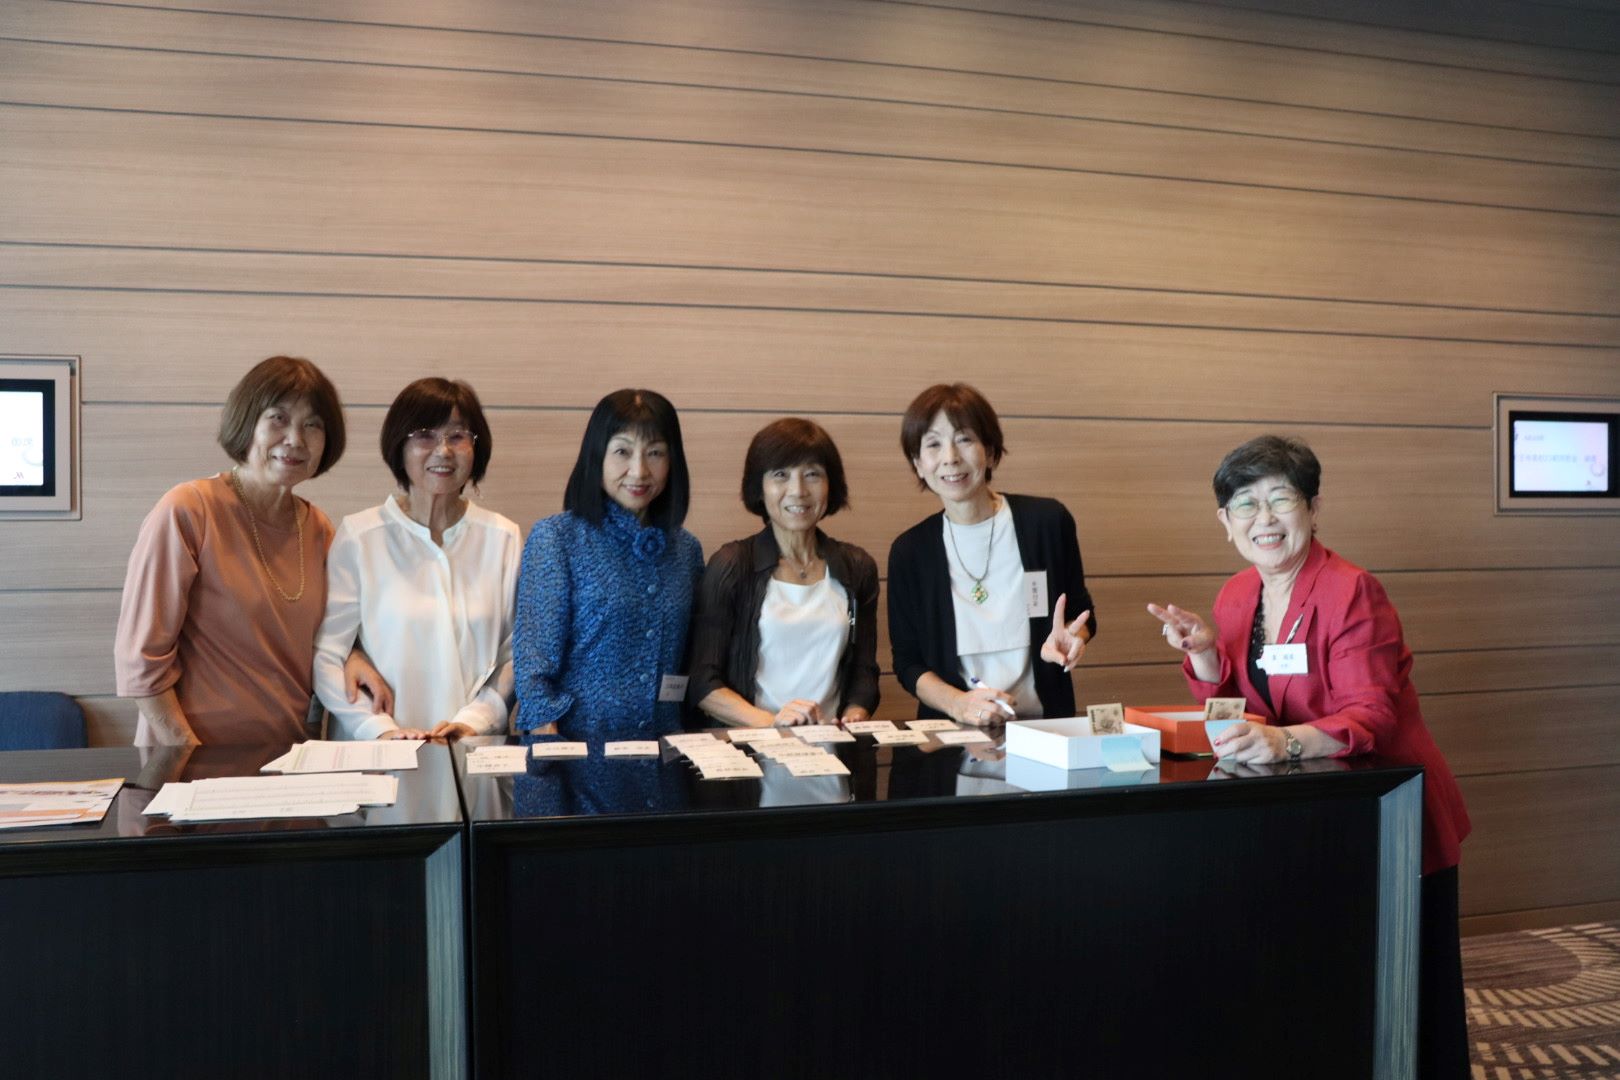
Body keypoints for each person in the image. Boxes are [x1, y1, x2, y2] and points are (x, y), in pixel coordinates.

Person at [1147, 434, 1471, 1079]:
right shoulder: (1237, 595)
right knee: (1324, 989)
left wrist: (1286, 741)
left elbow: (1371, 713)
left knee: (1406, 996)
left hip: (1388, 813)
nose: (1264, 519)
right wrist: (1206, 653)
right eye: (1246, 504)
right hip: (1312, 816)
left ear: (1313, 508)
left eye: (1281, 499)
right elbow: (1240, 706)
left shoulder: (1352, 590)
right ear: (1225, 521)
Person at [115, 355, 353, 746]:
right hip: (193, 756)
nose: (295, 439)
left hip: (286, 754)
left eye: (313, 424)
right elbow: (140, 658)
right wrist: (183, 748)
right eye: (278, 418)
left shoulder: (319, 529)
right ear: (246, 422)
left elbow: (331, 641)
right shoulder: (189, 510)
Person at [313, 378, 520, 741]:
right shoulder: (360, 536)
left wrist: (478, 719)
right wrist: (376, 728)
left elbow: (515, 653)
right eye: (425, 436)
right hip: (379, 750)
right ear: (399, 446)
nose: (443, 450)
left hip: (471, 746)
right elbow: (328, 654)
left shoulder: (503, 538)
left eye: (458, 436)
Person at [887, 383, 1097, 726]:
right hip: (954, 734)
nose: (950, 457)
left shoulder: (1046, 523)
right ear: (918, 464)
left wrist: (1073, 638)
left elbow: (1079, 614)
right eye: (934, 444)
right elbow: (908, 662)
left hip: (1045, 729)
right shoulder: (911, 552)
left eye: (964, 439)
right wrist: (959, 704)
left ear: (990, 451)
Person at [513, 389, 704, 742]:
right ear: (597, 456)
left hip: (663, 751)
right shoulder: (558, 538)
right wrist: (549, 751)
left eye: (655, 453)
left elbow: (688, 664)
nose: (639, 471)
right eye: (622, 452)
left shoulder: (686, 550)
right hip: (579, 753)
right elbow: (534, 671)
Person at [688, 418, 879, 728]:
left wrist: (853, 718)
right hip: (752, 746)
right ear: (759, 488)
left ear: (831, 485)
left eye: (812, 474)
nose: (798, 490)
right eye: (781, 475)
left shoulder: (857, 568)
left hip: (829, 746)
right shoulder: (732, 565)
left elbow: (864, 674)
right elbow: (702, 681)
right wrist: (772, 723)